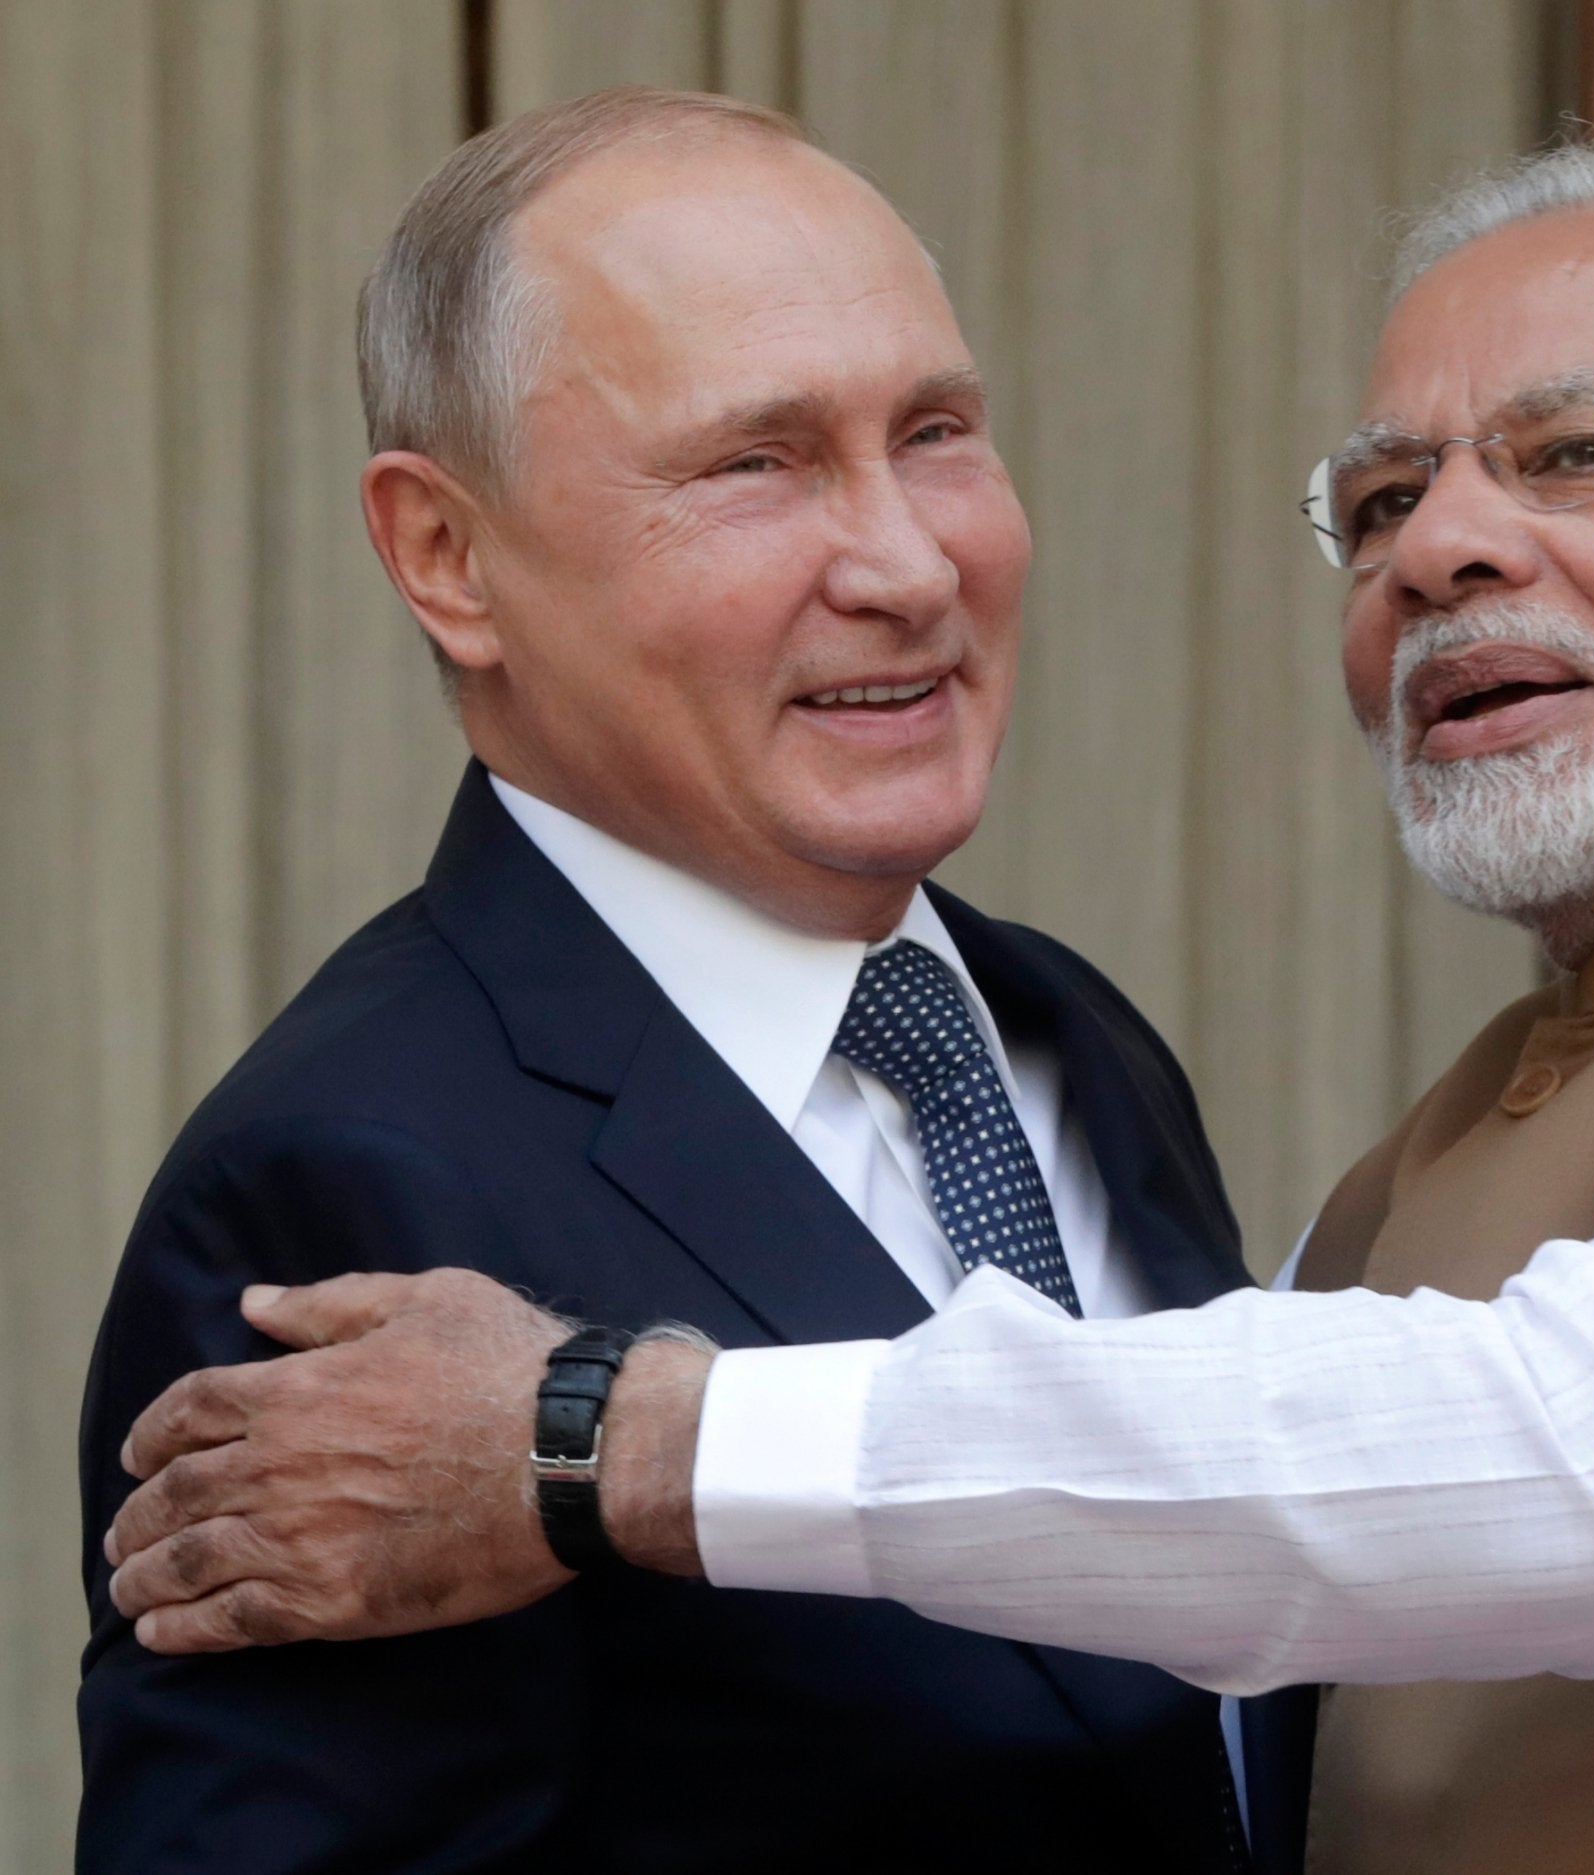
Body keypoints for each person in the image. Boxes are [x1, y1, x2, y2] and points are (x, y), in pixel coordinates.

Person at [103, 135, 1594, 1872]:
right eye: (1377, 500)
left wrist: (610, 1440)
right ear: (446, 554)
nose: (1443, 541)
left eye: (1576, 451)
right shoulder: (362, 1177)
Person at [75, 87, 1307, 1875]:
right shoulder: (343, 1182)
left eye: (939, 432)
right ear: (449, 555)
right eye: (758, 462)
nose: (907, 563)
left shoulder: (1059, 1032)